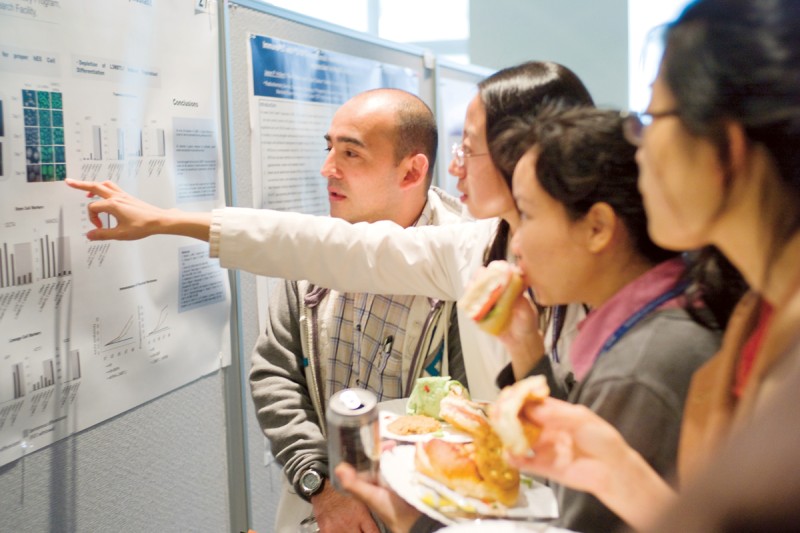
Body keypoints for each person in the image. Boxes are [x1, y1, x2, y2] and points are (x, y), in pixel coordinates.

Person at [66, 61, 594, 401]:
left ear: (525, 153)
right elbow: (323, 247)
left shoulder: (610, 274)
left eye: (468, 146)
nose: (454, 166)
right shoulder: (474, 248)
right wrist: (167, 221)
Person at [336, 106, 736, 533]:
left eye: (525, 215)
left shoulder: (641, 368)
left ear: (598, 227)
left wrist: (417, 523)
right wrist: (524, 344)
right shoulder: (657, 325)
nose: (516, 243)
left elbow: (573, 521)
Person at [504, 0, 800, 530]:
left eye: (651, 117)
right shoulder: (754, 313)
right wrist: (620, 472)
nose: (636, 147)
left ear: (725, 147)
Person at [253, 88, 470, 533]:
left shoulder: (465, 264)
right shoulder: (314, 254)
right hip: (323, 511)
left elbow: (477, 417)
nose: (327, 168)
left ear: (411, 171)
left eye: (350, 153)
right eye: (329, 147)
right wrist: (321, 487)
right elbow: (275, 371)